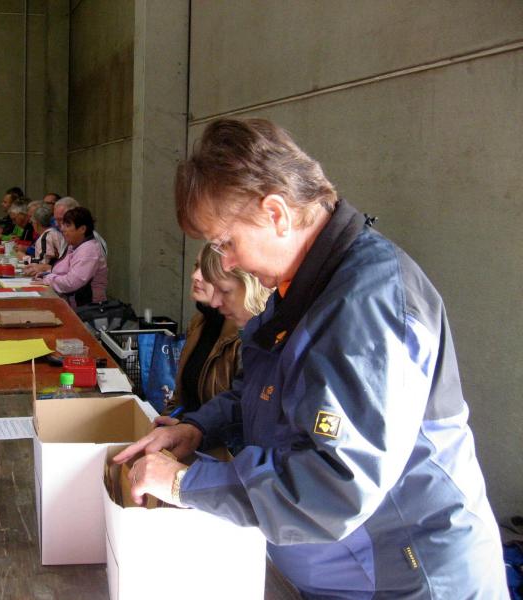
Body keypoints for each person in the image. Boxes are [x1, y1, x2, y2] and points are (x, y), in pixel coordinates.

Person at [115, 118, 506, 598]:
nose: (226, 263)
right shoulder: (304, 288)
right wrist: (198, 428)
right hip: (344, 570)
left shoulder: (367, 305)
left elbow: (336, 487)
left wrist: (187, 483)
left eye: (225, 243)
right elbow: (265, 392)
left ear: (276, 213)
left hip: (408, 576)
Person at [162, 243, 252, 418]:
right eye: (196, 266)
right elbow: (181, 397)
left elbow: (238, 415)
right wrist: (165, 422)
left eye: (207, 272)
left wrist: (191, 428)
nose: (195, 276)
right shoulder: (199, 321)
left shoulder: (244, 335)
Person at [39, 207, 107, 307]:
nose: (62, 229)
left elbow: (71, 283)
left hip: (88, 309)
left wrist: (48, 279)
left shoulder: (89, 250)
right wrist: (45, 274)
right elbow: (63, 271)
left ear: (82, 229)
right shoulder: (75, 246)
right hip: (73, 303)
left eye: (67, 225)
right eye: (63, 225)